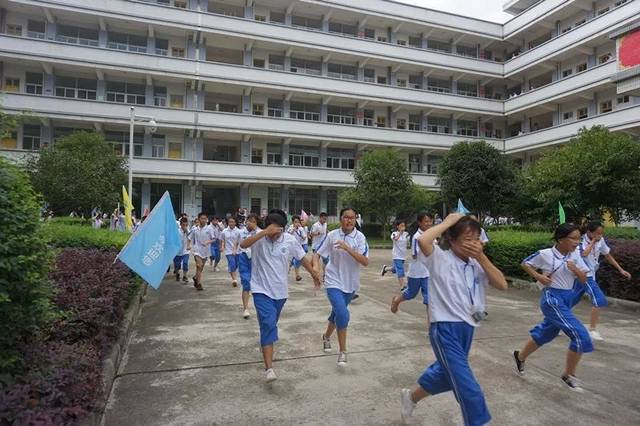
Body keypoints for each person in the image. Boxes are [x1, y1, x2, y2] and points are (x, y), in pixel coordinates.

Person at [400, 214, 507, 425]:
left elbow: (502, 284)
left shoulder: (477, 265)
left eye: (477, 239)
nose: (474, 244)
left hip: (468, 328)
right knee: (469, 389)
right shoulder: (440, 257)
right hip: (444, 329)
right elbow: (423, 241)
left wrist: (482, 258)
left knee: (447, 375)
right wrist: (448, 222)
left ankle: (410, 397)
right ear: (453, 240)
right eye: (468, 239)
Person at [240, 209, 321, 382]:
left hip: (280, 292)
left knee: (269, 325)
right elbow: (243, 245)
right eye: (272, 229)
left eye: (278, 230)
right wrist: (263, 233)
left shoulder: (290, 241)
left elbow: (302, 258)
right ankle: (269, 369)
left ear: (283, 229)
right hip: (261, 290)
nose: (274, 234)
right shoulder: (258, 238)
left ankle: (265, 343)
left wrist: (314, 274)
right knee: (268, 323)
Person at [513, 223, 593, 392]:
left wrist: (575, 269)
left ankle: (520, 357)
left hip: (567, 298)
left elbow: (584, 280)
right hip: (552, 299)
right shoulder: (546, 254)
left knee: (546, 333)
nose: (577, 242)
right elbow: (525, 263)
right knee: (580, 335)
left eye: (579, 238)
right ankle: (568, 375)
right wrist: (538, 276)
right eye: (573, 238)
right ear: (560, 239)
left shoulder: (576, 256)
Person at [313, 207, 369, 366]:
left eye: (352, 217)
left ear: (355, 219)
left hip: (350, 284)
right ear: (340, 219)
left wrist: (347, 248)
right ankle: (343, 351)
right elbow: (317, 254)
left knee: (336, 313)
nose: (349, 220)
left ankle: (326, 336)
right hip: (333, 280)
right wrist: (316, 268)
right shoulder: (332, 235)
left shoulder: (360, 237)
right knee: (343, 314)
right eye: (346, 217)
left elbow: (365, 262)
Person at [573, 220, 631, 341]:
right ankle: (592, 330)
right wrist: (593, 241)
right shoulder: (580, 240)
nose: (599, 235)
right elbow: (584, 254)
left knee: (569, 302)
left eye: (601, 233)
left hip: (589, 275)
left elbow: (607, 255)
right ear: (589, 232)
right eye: (597, 233)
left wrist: (620, 269)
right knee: (599, 299)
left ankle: (552, 323)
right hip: (584, 274)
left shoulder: (601, 240)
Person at [391, 212, 433, 314]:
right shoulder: (416, 237)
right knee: (411, 294)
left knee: (429, 300)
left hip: (427, 273)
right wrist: (427, 249)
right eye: (426, 221)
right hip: (416, 272)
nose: (428, 223)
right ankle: (397, 300)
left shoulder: (432, 235)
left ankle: (431, 327)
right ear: (419, 223)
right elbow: (414, 255)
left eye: (430, 221)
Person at [238, 213, 261, 319]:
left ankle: (259, 307)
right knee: (246, 282)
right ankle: (246, 308)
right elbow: (238, 243)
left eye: (253, 221)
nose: (250, 223)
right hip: (243, 257)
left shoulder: (260, 232)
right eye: (249, 220)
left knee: (257, 285)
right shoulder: (241, 231)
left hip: (256, 259)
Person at [190, 212, 216, 291]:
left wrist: (208, 242)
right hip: (197, 250)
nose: (204, 220)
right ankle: (199, 284)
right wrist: (189, 245)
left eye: (205, 218)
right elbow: (190, 238)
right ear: (198, 219)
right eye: (202, 218)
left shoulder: (209, 229)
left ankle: (196, 278)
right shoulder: (195, 229)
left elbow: (214, 239)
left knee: (200, 268)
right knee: (199, 265)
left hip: (205, 251)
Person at [381, 219, 409, 289]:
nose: (403, 227)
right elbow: (395, 239)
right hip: (396, 255)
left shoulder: (406, 234)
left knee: (395, 269)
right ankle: (402, 286)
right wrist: (400, 232)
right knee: (400, 270)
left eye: (404, 226)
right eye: (401, 226)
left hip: (403, 255)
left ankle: (386, 269)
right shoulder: (394, 233)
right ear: (397, 226)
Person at [221, 216, 242, 287]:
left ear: (235, 223)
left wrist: (235, 250)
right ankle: (234, 279)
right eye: (230, 222)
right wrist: (222, 246)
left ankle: (231, 270)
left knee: (235, 265)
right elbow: (223, 240)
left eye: (233, 222)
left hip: (238, 251)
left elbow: (239, 242)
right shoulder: (224, 231)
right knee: (232, 264)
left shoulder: (239, 231)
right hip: (228, 251)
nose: (231, 223)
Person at [287, 215, 309, 282]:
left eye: (298, 222)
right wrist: (293, 230)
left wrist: (300, 232)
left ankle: (297, 276)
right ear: (293, 222)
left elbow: (304, 237)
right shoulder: (290, 228)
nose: (297, 223)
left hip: (298, 247)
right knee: (288, 262)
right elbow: (287, 235)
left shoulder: (301, 229)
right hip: (290, 248)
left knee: (297, 261)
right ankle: (286, 272)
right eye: (295, 222)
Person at [173, 217, 191, 283]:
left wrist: (189, 245)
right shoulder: (177, 231)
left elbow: (190, 238)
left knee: (185, 263)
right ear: (180, 224)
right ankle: (177, 273)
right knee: (177, 265)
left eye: (186, 225)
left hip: (186, 251)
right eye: (183, 225)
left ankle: (185, 276)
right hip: (177, 251)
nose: (185, 226)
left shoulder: (188, 231)